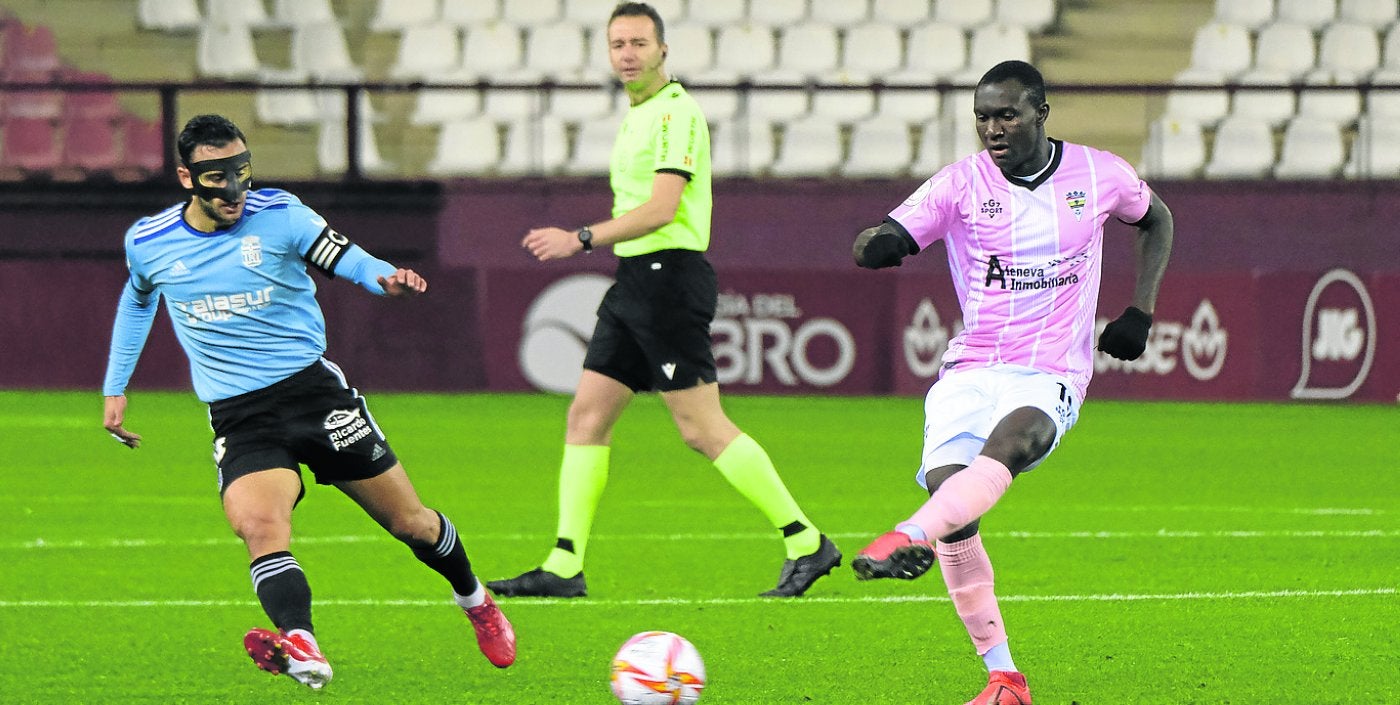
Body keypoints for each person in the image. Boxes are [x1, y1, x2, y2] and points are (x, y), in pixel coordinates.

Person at [101, 115, 516, 690]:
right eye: (217, 176)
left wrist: (384, 279)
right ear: (186, 177)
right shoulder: (149, 243)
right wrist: (116, 385)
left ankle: (476, 601)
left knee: (411, 523)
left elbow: (347, 257)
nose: (234, 190)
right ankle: (303, 644)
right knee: (258, 526)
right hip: (242, 417)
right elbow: (137, 299)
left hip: (315, 397)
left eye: (242, 172)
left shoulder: (281, 216)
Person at [847, 61, 1173, 705]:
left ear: (1040, 113)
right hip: (970, 370)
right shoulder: (959, 184)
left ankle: (909, 533)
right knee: (956, 505)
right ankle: (1005, 679)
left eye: (1008, 115)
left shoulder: (1098, 174)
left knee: (1013, 445)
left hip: (1050, 369)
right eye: (983, 117)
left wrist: (1141, 310)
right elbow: (883, 233)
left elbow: (1158, 218)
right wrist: (877, 244)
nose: (993, 129)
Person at [490, 2, 840, 600]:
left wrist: (579, 238)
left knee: (702, 428)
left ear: (662, 51)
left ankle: (806, 539)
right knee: (587, 416)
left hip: (668, 280)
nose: (626, 54)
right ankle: (564, 563)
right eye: (617, 44)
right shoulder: (641, 113)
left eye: (638, 43)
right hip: (635, 281)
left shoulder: (678, 114)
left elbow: (662, 209)